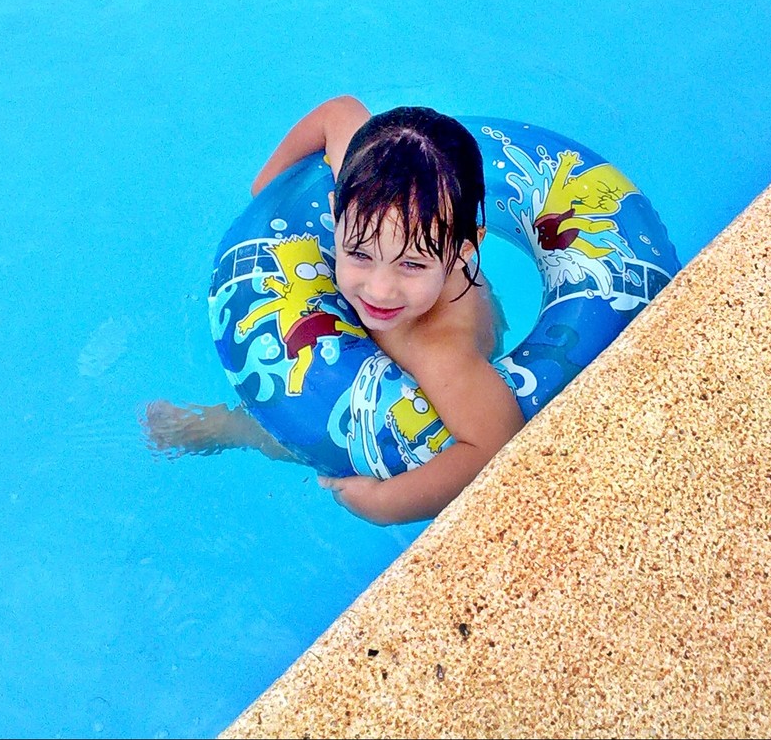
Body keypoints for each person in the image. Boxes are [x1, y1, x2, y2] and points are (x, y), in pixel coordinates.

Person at [142, 95, 524, 525]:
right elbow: (339, 113)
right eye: (359, 253)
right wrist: (267, 195)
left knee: (293, 431)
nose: (379, 289)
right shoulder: (370, 185)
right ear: (335, 212)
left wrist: (386, 504)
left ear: (463, 251)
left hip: (405, 398)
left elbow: (495, 447)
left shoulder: (440, 353)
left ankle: (234, 428)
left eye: (412, 264)